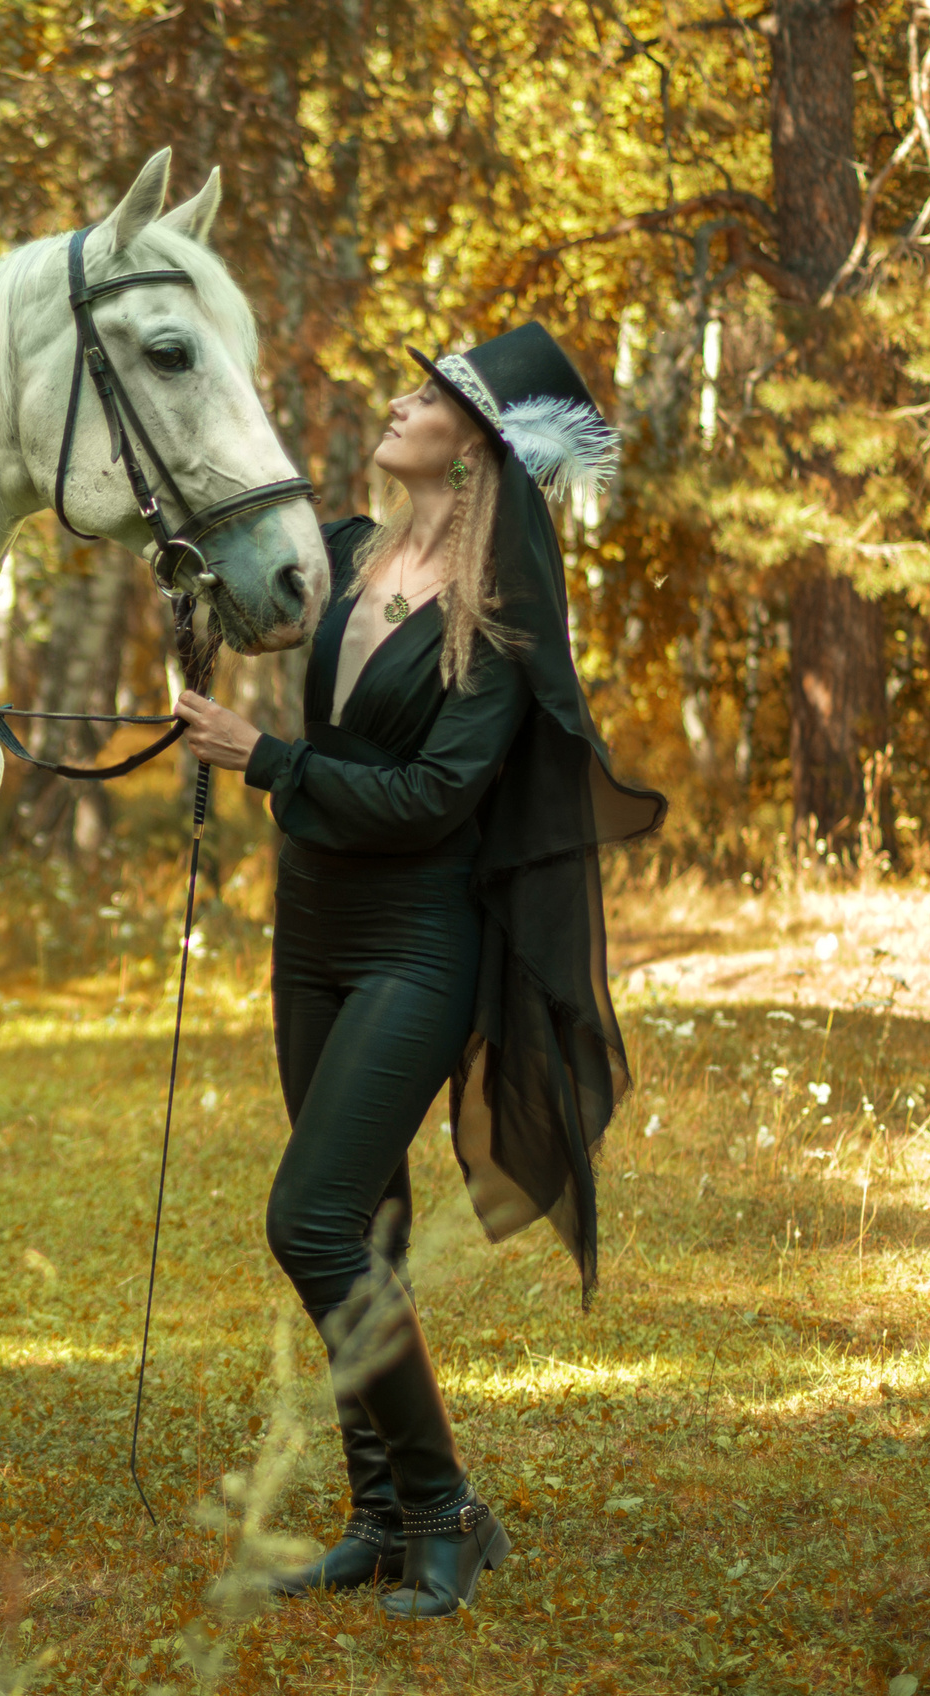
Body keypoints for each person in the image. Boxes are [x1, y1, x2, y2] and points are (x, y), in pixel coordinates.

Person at [174, 324, 665, 1620]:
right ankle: (379, 1517)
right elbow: (241, 586)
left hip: (418, 943)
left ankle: (447, 1510)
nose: (399, 402)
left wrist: (265, 760)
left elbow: (439, 794)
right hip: (314, 934)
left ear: (481, 442)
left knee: (311, 1221)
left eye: (431, 394)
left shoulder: (496, 614)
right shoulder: (343, 552)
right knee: (367, 1231)